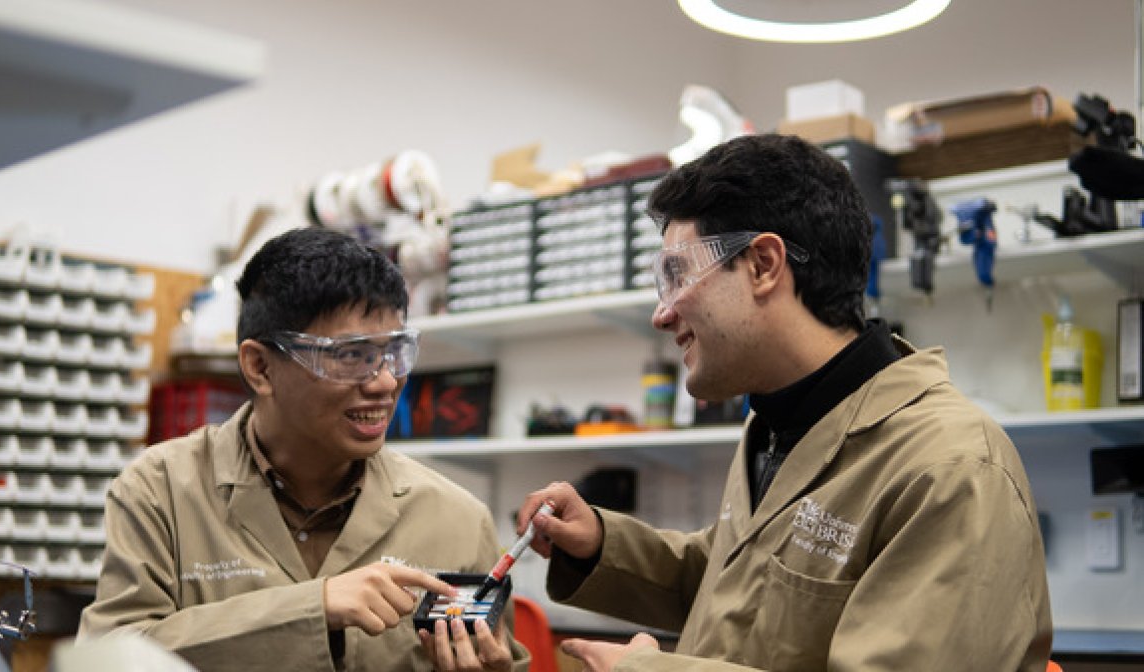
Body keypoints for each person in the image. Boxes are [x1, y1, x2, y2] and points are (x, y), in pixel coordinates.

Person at [517, 134, 1052, 671]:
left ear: (764, 264)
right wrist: (601, 545)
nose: (663, 314)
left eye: (677, 275)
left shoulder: (950, 467)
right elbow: (739, 587)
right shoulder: (776, 425)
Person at [80, 227, 528, 672]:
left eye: (395, 352)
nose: (385, 382)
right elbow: (109, 659)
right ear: (260, 367)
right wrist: (314, 607)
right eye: (351, 355)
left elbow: (501, 657)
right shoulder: (161, 491)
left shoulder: (458, 521)